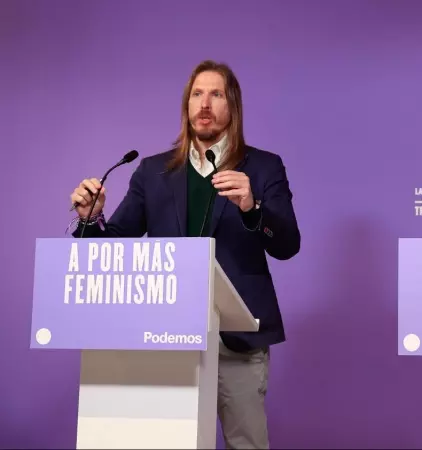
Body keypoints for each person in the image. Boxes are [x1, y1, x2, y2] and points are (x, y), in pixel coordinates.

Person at [68, 60, 301, 449]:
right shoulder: (153, 171)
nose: (204, 104)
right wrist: (92, 220)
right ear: (186, 105)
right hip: (167, 336)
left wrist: (252, 208)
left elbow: (287, 244)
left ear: (233, 107)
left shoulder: (262, 167)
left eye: (215, 94)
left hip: (238, 340)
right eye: (196, 94)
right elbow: (117, 243)